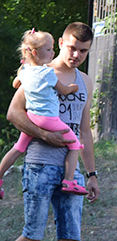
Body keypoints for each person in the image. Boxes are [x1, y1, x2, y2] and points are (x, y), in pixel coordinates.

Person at [0, 22, 99, 241]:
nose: (77, 55)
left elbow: (84, 130)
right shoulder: (38, 71)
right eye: (72, 48)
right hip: (40, 163)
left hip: (71, 169)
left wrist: (92, 173)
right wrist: (46, 134)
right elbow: (14, 114)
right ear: (62, 43)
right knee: (32, 233)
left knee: (69, 238)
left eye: (83, 51)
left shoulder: (84, 81)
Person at [0, 30, 86, 200]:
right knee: (74, 144)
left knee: (18, 147)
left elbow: (15, 83)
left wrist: (25, 74)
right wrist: (73, 87)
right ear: (35, 52)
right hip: (48, 119)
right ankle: (69, 181)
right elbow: (64, 90)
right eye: (48, 49)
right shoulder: (48, 73)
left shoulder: (25, 71)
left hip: (32, 116)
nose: (52, 53)